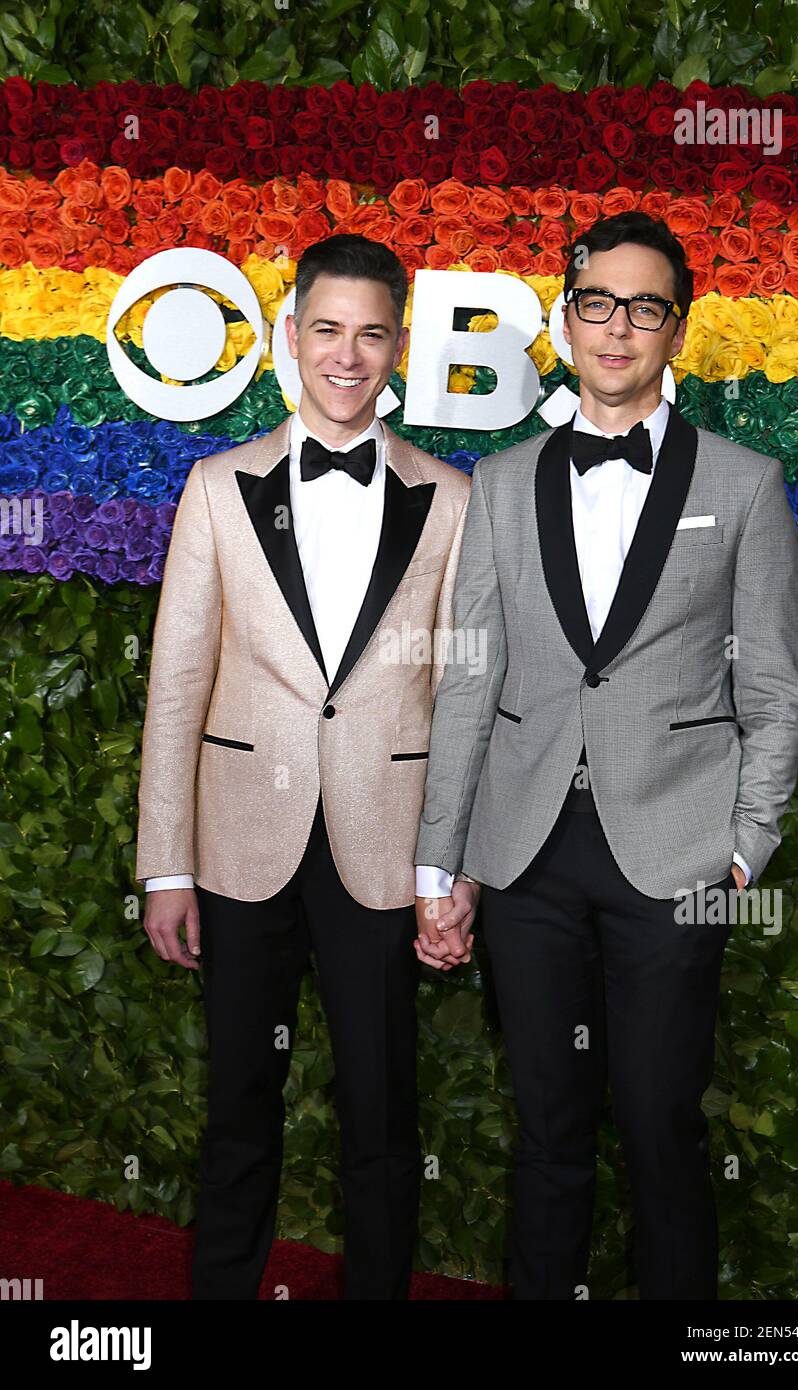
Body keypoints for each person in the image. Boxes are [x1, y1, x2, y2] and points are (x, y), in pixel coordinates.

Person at [413, 210, 798, 1299]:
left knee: (657, 1126)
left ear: (675, 330)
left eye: (644, 307)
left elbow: (773, 688)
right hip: (525, 849)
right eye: (597, 303)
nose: (618, 327)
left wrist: (743, 852)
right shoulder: (498, 480)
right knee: (545, 1128)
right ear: (565, 318)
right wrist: (437, 864)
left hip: (677, 855)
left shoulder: (743, 484)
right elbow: (467, 678)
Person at [135, 233, 472, 1299]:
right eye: (326, 329)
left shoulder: (450, 498)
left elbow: (463, 695)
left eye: (371, 333)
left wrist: (447, 868)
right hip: (240, 843)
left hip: (384, 845)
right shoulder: (217, 486)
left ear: (400, 347)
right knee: (239, 1105)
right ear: (289, 338)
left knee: (382, 1114)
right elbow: (177, 687)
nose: (346, 354)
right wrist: (165, 867)